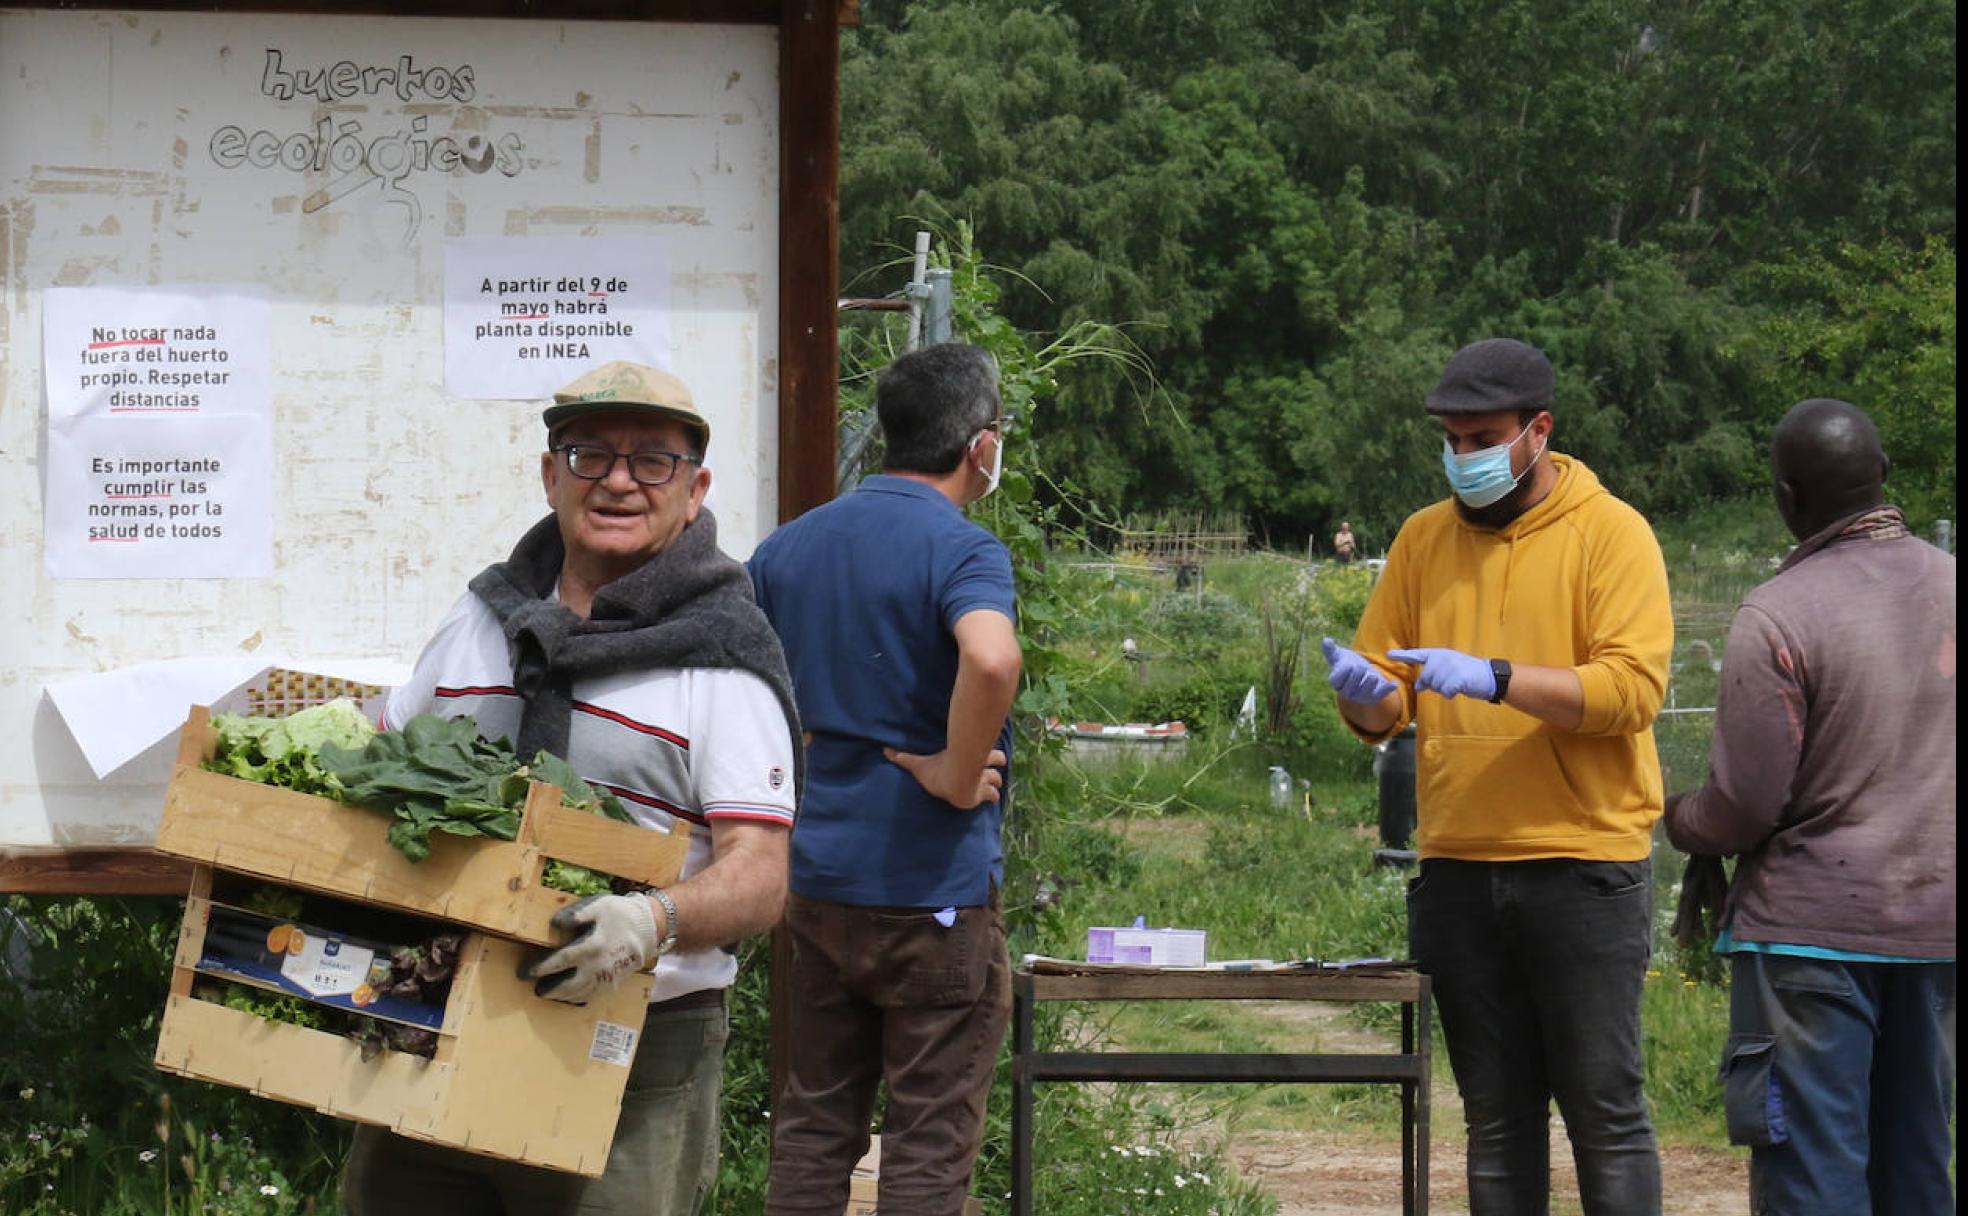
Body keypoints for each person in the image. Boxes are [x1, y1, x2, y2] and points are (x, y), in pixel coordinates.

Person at [342, 361, 801, 1216]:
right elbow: (381, 756)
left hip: (631, 1045)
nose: (619, 481)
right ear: (551, 474)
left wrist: (653, 919)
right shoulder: (482, 616)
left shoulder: (722, 654)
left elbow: (761, 873)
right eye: (590, 454)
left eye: (652, 460)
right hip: (437, 1014)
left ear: (694, 489)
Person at [1322, 337, 1671, 1214]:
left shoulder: (1612, 534)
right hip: (1459, 868)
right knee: (1497, 1121)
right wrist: (1365, 698)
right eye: (1451, 439)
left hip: (1582, 863)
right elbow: (1385, 706)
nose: (1463, 457)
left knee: (1604, 1110)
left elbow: (1632, 690)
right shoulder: (1421, 539)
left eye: (1483, 438)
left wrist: (1499, 677)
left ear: (1538, 430)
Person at [1663, 398, 1955, 1215]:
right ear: (1885, 476)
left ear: (1785, 498)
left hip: (1810, 941)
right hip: (1938, 933)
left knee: (1813, 1175)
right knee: (1918, 1166)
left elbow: (1746, 806)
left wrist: (1682, 819)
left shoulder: (1780, 614)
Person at [749, 342, 1021, 1216]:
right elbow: (990, 659)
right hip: (932, 892)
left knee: (814, 1127)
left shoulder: (786, 550)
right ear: (980, 446)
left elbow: (744, 688)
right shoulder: (964, 550)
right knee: (926, 1148)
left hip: (818, 882)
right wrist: (950, 772)